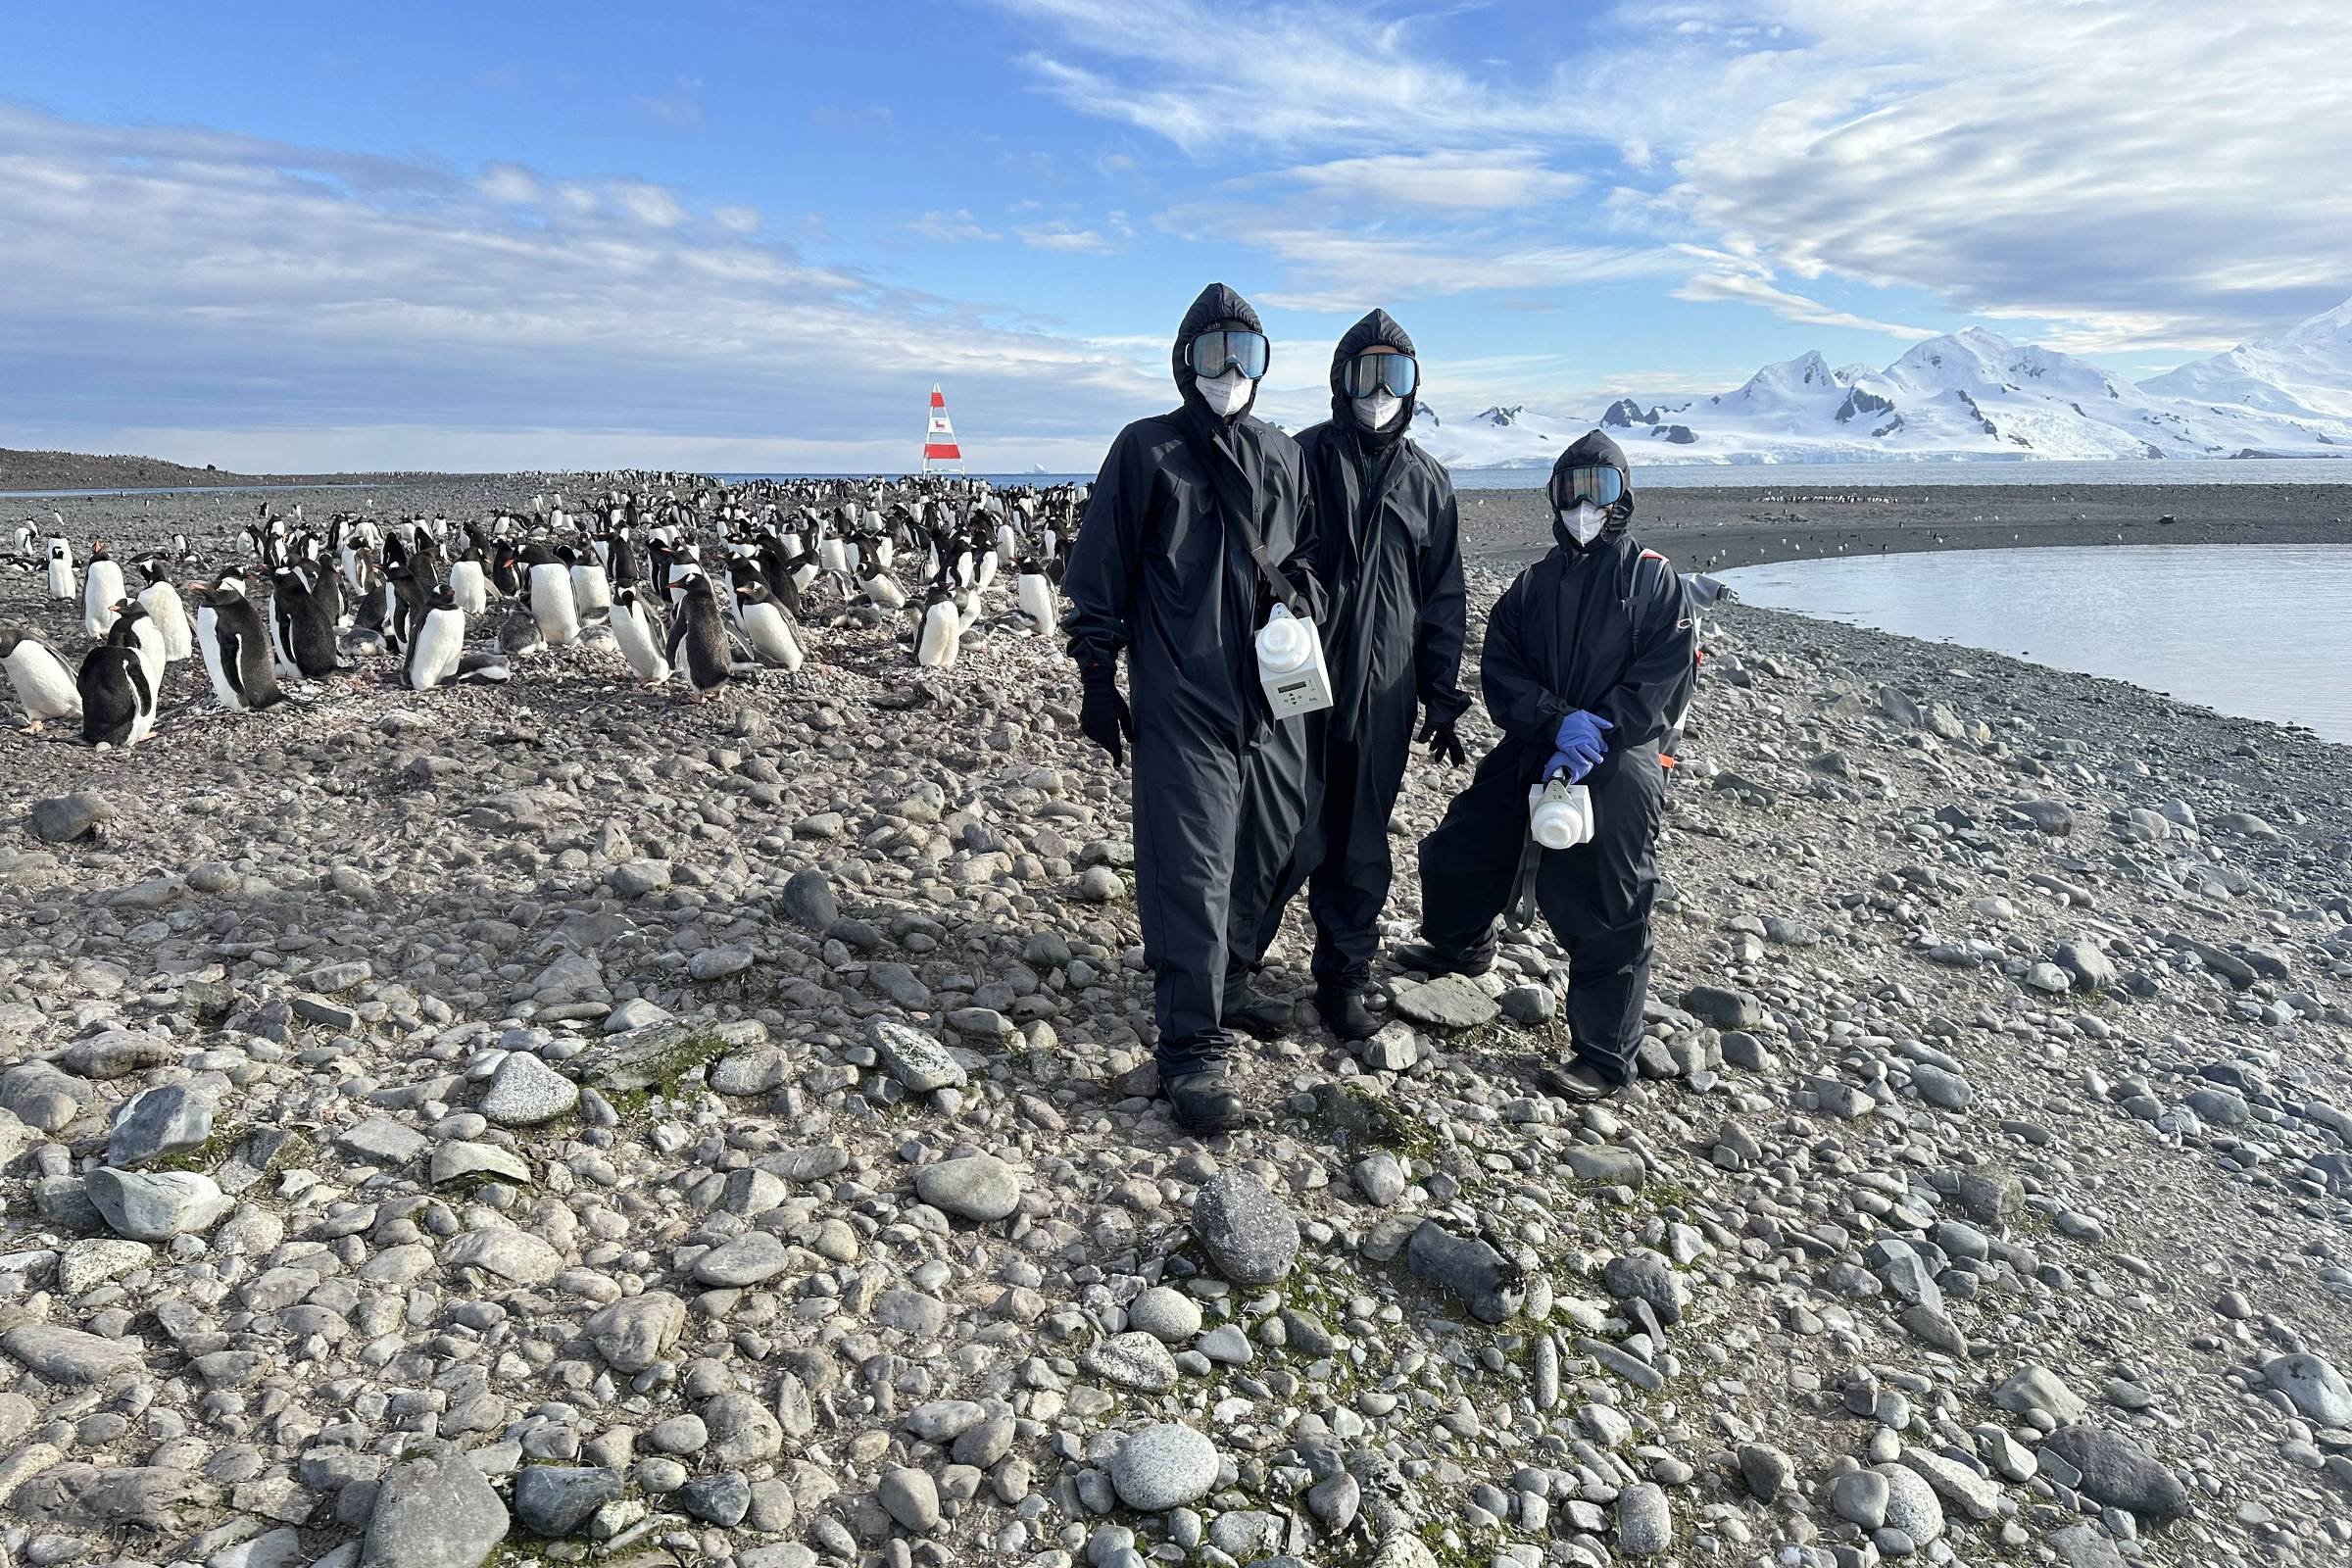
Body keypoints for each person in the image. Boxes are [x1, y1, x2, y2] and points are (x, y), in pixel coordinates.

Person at [1061, 282, 1321, 1132]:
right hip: (1181, 692)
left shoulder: (1283, 453)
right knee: (1192, 866)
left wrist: (1308, 587)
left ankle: (1231, 974)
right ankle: (1191, 1044)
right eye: (1214, 355)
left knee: (1279, 840)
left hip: (1272, 694)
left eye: (1243, 355)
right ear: (1185, 362)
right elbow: (1099, 567)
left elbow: (1304, 547)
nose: (1230, 371)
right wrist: (1098, 673)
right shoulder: (1148, 450)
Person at [1398, 430, 1696, 1098]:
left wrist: (1602, 725)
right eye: (1571, 492)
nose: (1584, 506)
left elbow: (1664, 678)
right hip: (1538, 739)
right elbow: (1501, 668)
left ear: (1624, 497)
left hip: (1620, 757)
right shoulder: (1533, 584)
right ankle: (1460, 946)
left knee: (1610, 903)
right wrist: (1554, 717)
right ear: (1553, 500)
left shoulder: (1654, 581)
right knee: (1460, 846)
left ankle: (1602, 1057)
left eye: (1601, 490)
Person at [1228, 309, 1468, 1042]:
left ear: (1414, 386)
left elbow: (1443, 596)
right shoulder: (1298, 457)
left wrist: (1442, 692)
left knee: (1362, 835)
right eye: (1364, 374)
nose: (1377, 392)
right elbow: (1256, 559)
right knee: (1276, 827)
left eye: (1392, 376)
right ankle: (1230, 967)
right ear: (1340, 379)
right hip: (1301, 678)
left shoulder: (1428, 483)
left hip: (1385, 688)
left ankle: (1343, 977)